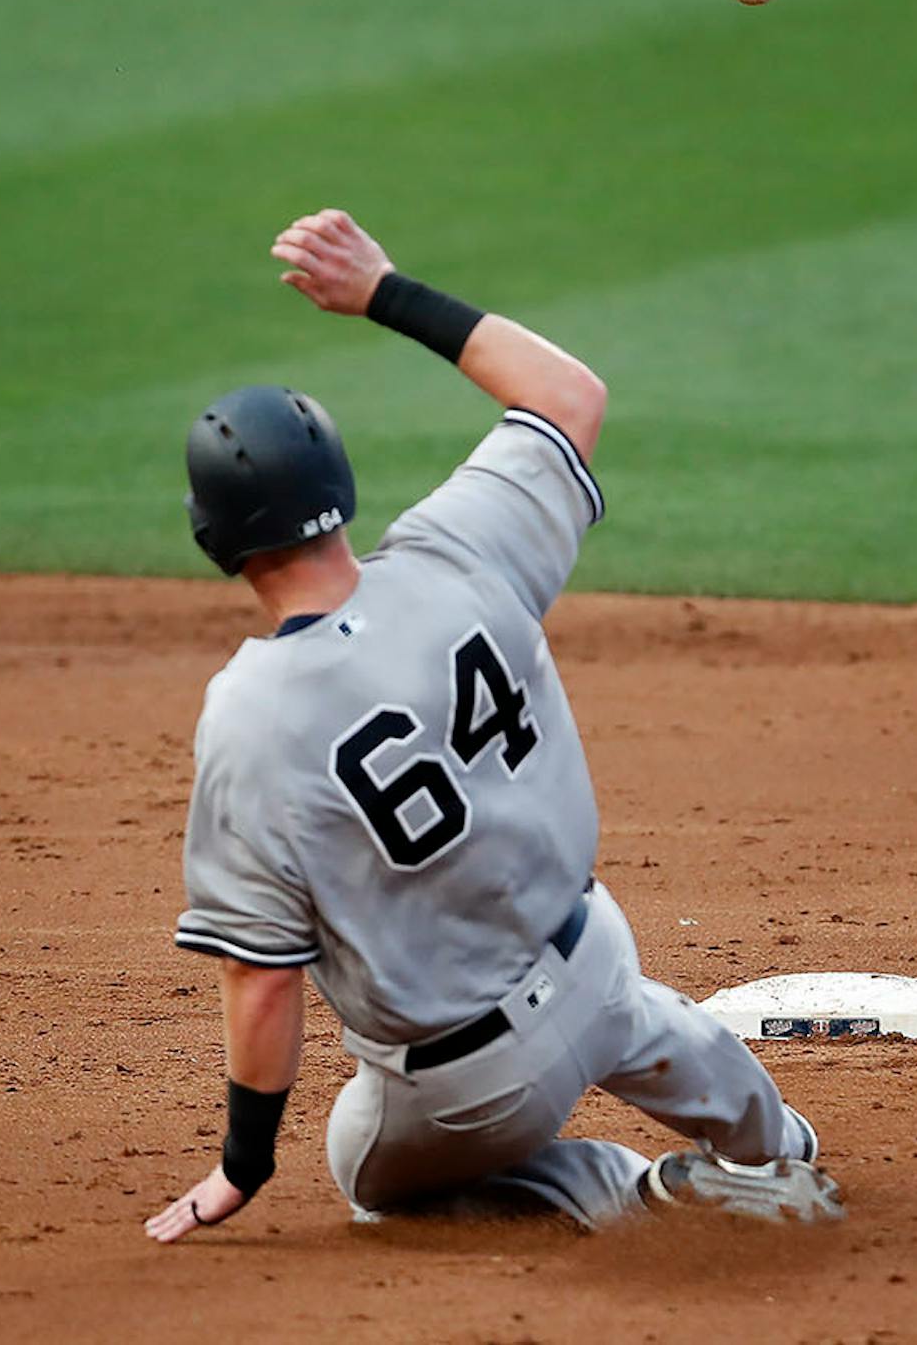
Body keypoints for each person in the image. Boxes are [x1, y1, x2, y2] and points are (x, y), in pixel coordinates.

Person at [144, 209, 840, 1242]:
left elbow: (260, 975)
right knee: (618, 1002)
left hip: (473, 1090)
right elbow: (569, 395)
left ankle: (622, 1191)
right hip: (598, 961)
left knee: (361, 1166)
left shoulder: (250, 712)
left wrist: (241, 1164)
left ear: (215, 539)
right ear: (339, 485)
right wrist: (381, 289)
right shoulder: (460, 550)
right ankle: (765, 1140)